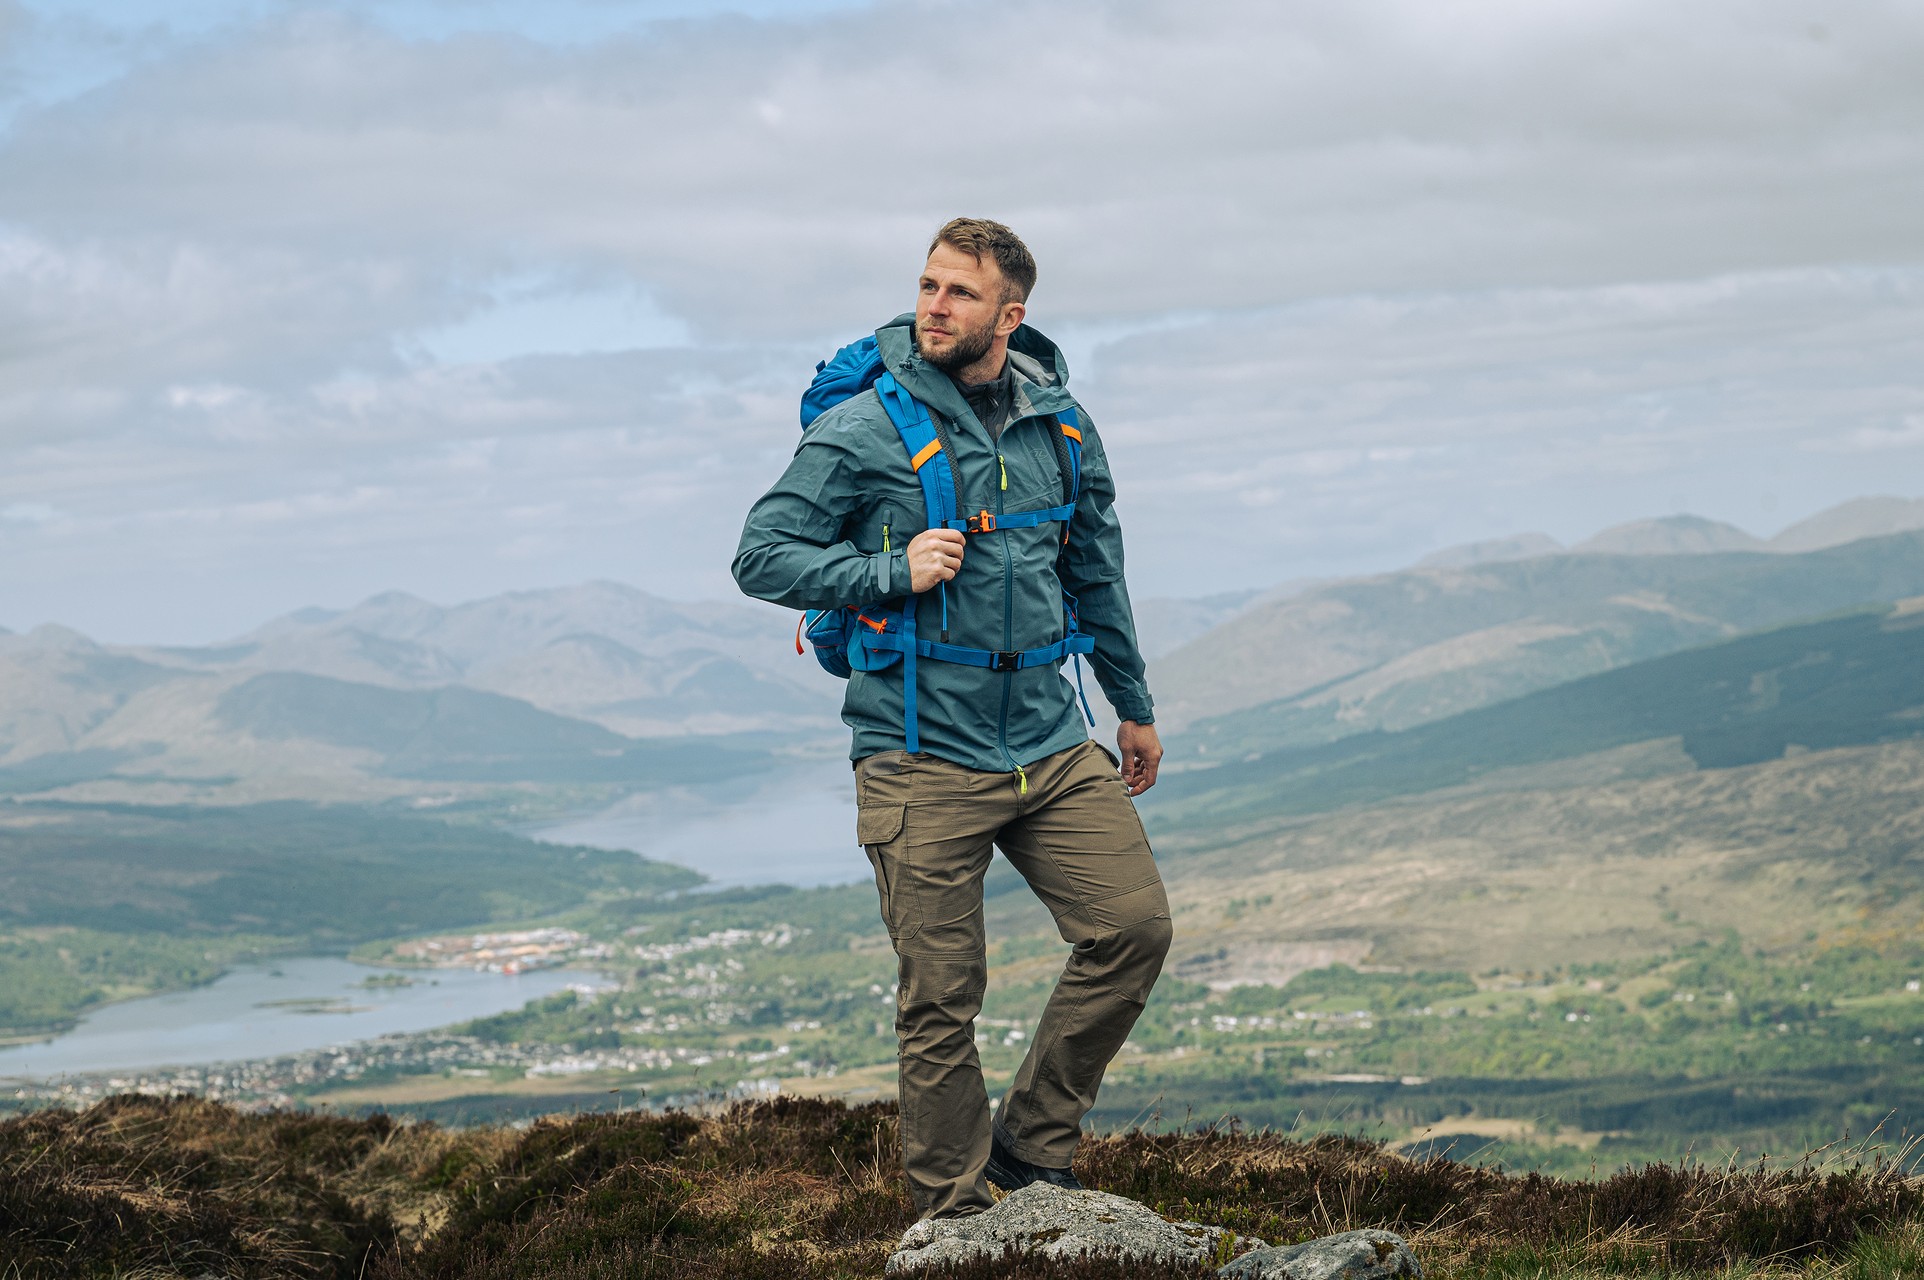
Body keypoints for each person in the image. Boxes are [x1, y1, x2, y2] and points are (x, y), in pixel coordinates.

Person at [733, 217, 1171, 1220]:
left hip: (1049, 740)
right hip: (919, 749)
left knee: (1133, 927)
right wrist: (890, 569)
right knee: (941, 997)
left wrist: (1133, 707)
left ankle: (1031, 1145)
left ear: (1009, 316)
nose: (933, 306)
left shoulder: (1062, 426)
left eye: (960, 292)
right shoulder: (865, 429)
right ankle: (956, 1219)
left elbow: (1095, 571)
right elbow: (761, 554)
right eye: (928, 284)